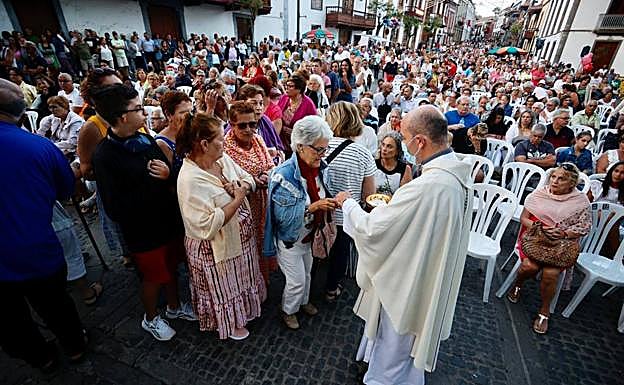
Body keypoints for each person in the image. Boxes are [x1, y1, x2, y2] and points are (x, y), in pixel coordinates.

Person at [334, 105, 473, 383]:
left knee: (393, 349)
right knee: (406, 354)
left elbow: (376, 230)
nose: (404, 144)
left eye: (405, 137)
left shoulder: (428, 186)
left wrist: (348, 204)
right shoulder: (456, 174)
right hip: (426, 271)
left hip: (408, 282)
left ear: (419, 141)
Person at [92, 84, 196, 342]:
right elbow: (114, 206)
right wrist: (153, 186)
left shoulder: (144, 137)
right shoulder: (104, 155)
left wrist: (167, 175)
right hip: (143, 231)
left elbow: (166, 173)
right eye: (138, 108)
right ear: (122, 116)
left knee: (172, 267)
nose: (144, 113)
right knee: (153, 277)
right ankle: (150, 318)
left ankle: (174, 307)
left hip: (168, 221)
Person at [0, 78, 87, 372]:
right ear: (21, 113)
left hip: (24, 251)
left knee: (11, 320)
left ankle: (42, 358)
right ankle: (74, 348)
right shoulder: (38, 146)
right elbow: (65, 190)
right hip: (35, 248)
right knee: (55, 306)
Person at [176, 112, 266, 340]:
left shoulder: (221, 160)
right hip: (214, 250)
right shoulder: (189, 179)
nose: (224, 141)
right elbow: (206, 225)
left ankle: (244, 312)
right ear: (204, 144)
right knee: (224, 287)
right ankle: (229, 322)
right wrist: (236, 199)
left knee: (241, 279)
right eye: (219, 138)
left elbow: (246, 178)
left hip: (239, 239)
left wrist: (237, 186)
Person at [264, 115, 347, 329]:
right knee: (297, 281)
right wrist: (313, 207)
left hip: (310, 237)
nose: (322, 154)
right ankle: (288, 310)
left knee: (308, 274)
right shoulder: (284, 175)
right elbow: (282, 218)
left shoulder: (320, 167)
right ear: (300, 147)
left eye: (324, 149)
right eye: (318, 149)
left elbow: (321, 192)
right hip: (290, 240)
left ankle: (303, 302)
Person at [506, 163, 591, 334]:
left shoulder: (581, 201)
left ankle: (544, 311)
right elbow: (524, 218)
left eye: (562, 179)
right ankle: (518, 283)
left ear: (571, 183)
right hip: (535, 239)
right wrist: (541, 228)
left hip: (560, 246)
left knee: (550, 273)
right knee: (530, 266)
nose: (555, 181)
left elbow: (584, 227)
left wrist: (564, 233)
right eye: (554, 177)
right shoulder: (540, 194)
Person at [323, 101, 376, 301]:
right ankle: (331, 288)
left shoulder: (320, 146)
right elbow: (368, 195)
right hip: (345, 216)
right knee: (340, 252)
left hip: (320, 211)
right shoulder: (363, 153)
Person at [224, 101, 277, 283]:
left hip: (263, 203)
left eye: (252, 124)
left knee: (262, 241)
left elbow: (270, 165)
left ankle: (263, 280)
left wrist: (267, 175)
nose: (248, 129)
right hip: (242, 208)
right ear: (231, 125)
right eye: (242, 125)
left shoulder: (258, 140)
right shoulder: (225, 149)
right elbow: (227, 181)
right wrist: (253, 181)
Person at [587, 161, 624, 256]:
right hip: (593, 216)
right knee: (609, 220)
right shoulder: (597, 185)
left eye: (622, 173)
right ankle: (617, 255)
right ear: (611, 171)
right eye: (616, 171)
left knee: (612, 221)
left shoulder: (622, 193)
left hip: (615, 220)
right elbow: (586, 204)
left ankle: (613, 255)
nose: (618, 175)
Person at [278, 73, 317, 158]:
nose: (287, 88)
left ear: (299, 89)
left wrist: (294, 132)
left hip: (298, 147)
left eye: (291, 86)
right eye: (286, 85)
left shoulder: (308, 104)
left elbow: (313, 127)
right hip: (281, 143)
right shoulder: (284, 98)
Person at [155, 90, 193, 178]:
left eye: (190, 111)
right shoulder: (162, 143)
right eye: (183, 112)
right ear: (168, 114)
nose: (189, 116)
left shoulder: (190, 131)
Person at [374, 132, 412, 196]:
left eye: (389, 146)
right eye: (383, 145)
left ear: (397, 151)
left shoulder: (404, 169)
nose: (384, 149)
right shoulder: (373, 164)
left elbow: (405, 195)